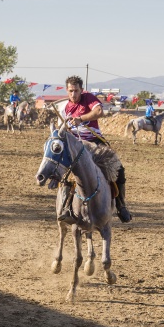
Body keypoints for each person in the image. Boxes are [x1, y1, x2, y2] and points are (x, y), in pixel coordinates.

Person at [59, 75, 131, 223]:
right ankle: (66, 208)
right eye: (71, 91)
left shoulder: (89, 98)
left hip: (95, 142)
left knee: (118, 169)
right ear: (67, 91)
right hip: (76, 145)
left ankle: (121, 205)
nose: (74, 94)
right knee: (63, 173)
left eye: (76, 91)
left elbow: (99, 112)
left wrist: (81, 119)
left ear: (82, 90)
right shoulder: (64, 108)